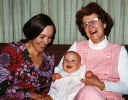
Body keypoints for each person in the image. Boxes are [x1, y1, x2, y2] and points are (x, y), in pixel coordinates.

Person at [57, 2, 128, 100]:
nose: (90, 26)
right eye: (86, 24)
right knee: (89, 91)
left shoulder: (119, 51)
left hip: (111, 97)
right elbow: (59, 73)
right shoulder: (77, 47)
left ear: (104, 24)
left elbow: (127, 86)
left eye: (94, 21)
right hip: (82, 95)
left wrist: (102, 85)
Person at [0, 13, 56, 100]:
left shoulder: (49, 58)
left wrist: (46, 97)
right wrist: (29, 95)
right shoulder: (12, 51)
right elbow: (1, 87)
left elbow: (46, 89)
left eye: (50, 37)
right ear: (32, 34)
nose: (46, 42)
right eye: (42, 37)